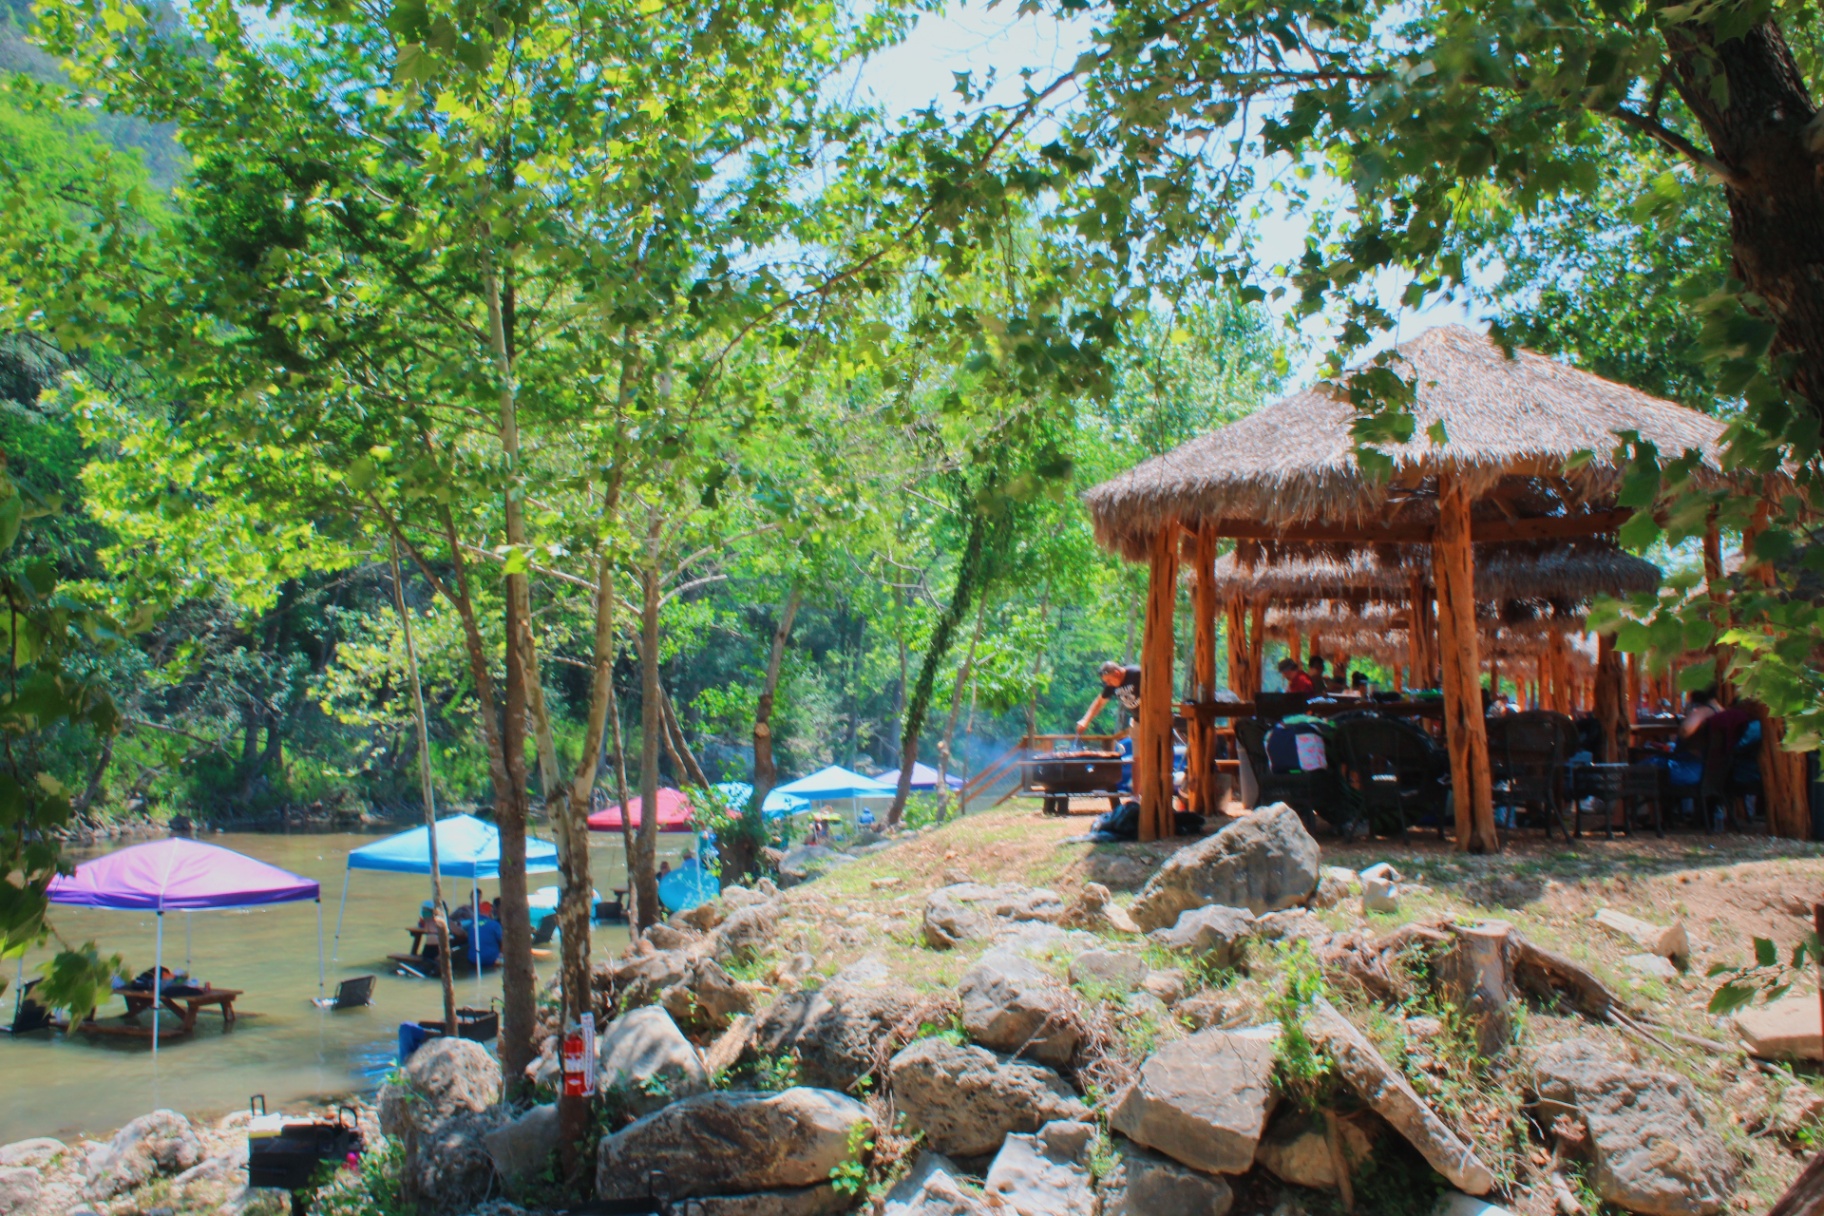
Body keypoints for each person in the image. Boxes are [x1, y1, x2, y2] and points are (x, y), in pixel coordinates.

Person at [1077, 661, 1142, 735]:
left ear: (1117, 673)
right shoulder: (1111, 685)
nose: (1108, 684)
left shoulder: (1137, 673)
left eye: (1109, 680)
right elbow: (1099, 702)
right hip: (1137, 721)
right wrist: (1085, 720)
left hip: (1152, 718)